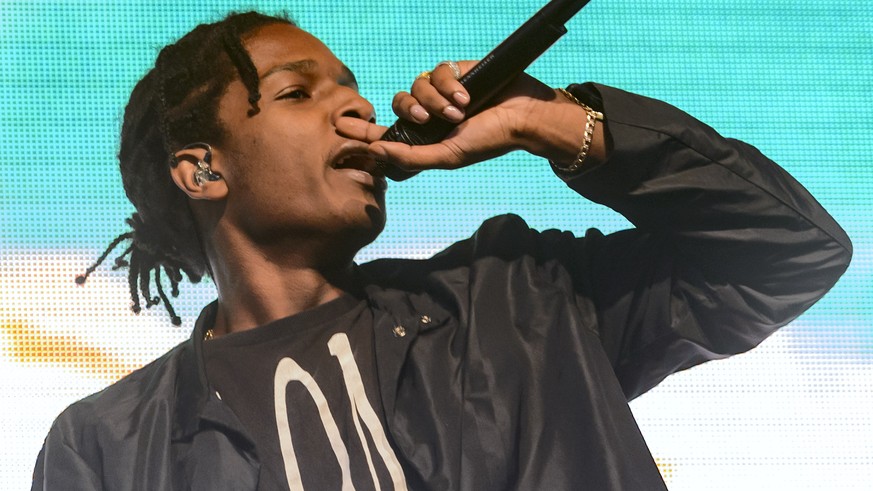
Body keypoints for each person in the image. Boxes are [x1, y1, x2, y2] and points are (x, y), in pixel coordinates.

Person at [32, 11, 851, 491]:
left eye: (349, 84)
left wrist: (548, 120)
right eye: (297, 93)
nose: (352, 106)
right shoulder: (105, 447)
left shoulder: (520, 300)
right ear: (202, 169)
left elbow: (789, 251)